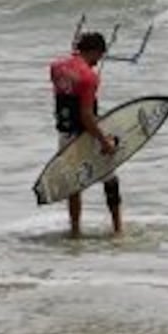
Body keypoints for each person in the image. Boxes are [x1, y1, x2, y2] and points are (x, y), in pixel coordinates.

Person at [49, 31, 120, 237]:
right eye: (100, 56)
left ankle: (75, 230)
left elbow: (64, 95)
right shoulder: (89, 77)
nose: (99, 61)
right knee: (111, 180)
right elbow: (87, 116)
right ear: (96, 51)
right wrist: (104, 141)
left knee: (74, 184)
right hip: (85, 134)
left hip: (64, 133)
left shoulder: (56, 67)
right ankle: (117, 230)